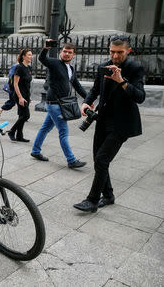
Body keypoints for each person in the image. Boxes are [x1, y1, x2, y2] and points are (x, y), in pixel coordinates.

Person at [73, 36, 146, 212]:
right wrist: (86, 102)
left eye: (119, 52)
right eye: (112, 51)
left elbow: (140, 97)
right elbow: (96, 89)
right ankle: (108, 195)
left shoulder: (135, 68)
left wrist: (121, 80)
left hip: (123, 123)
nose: (115, 56)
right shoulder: (103, 67)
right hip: (103, 119)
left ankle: (92, 200)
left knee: (102, 159)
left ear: (128, 51)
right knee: (99, 159)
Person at [31, 41, 87, 169]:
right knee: (63, 132)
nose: (67, 54)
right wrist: (46, 47)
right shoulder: (55, 63)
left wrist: (88, 99)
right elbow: (42, 58)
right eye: (65, 51)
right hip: (55, 104)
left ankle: (35, 151)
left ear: (73, 55)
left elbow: (77, 85)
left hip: (60, 104)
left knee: (45, 128)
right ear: (61, 52)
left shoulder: (71, 68)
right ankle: (71, 160)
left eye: (70, 52)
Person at [7, 49, 33, 142]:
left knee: (22, 115)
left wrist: (28, 97)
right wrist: (20, 97)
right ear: (23, 56)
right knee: (26, 116)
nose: (31, 57)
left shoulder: (29, 68)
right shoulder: (19, 67)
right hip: (19, 95)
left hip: (26, 95)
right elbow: (15, 84)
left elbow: (27, 84)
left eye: (31, 55)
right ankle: (11, 131)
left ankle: (19, 136)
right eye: (29, 55)